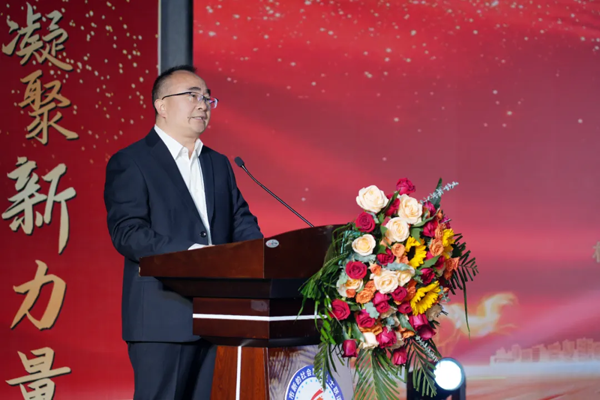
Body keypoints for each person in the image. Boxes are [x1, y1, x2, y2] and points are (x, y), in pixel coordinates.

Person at [103, 65, 262, 399]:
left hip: (219, 317)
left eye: (207, 98)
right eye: (192, 96)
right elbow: (128, 233)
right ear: (161, 105)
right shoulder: (132, 161)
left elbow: (241, 222)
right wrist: (191, 257)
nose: (203, 104)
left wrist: (261, 255)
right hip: (163, 318)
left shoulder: (218, 163)